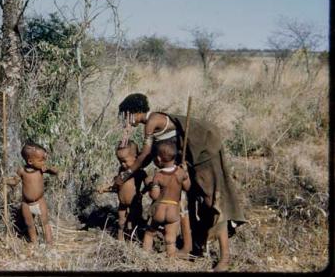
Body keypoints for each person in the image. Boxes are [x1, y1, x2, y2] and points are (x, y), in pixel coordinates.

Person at [115, 93, 246, 271]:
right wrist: (130, 171)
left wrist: (125, 175)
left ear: (134, 111)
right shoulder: (152, 125)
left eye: (127, 115)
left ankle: (225, 258)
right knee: (187, 203)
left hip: (205, 158)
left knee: (213, 204)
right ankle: (189, 247)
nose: (126, 120)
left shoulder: (153, 121)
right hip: (193, 162)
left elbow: (145, 154)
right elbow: (148, 158)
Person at [143, 141, 191, 257]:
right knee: (170, 238)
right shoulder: (180, 173)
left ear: (159, 159)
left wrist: (150, 186)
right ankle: (171, 257)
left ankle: (145, 253)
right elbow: (187, 187)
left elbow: (154, 196)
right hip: (173, 210)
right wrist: (186, 174)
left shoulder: (158, 176)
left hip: (159, 208)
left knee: (150, 232)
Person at [4, 141, 58, 244]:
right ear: (30, 161)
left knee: (45, 222)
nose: (43, 162)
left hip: (40, 201)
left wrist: (50, 169)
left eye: (44, 160)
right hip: (26, 204)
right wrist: (6, 181)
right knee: (29, 224)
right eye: (41, 160)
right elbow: (15, 182)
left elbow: (56, 172)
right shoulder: (22, 171)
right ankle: (34, 242)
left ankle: (49, 242)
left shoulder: (41, 169)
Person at [97, 140, 147, 241]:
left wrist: (144, 191)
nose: (122, 164)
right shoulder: (121, 171)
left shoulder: (138, 172)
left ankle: (132, 238)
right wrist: (106, 189)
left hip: (134, 203)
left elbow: (147, 182)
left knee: (132, 221)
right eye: (120, 161)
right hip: (122, 204)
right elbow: (116, 186)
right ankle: (120, 238)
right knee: (121, 221)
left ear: (136, 158)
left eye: (124, 161)